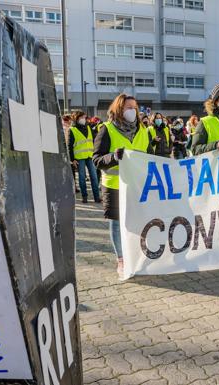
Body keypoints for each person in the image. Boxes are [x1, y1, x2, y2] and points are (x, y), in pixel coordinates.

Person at [93, 94, 154, 277]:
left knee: (138, 221)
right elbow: (96, 160)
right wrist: (113, 157)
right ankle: (121, 259)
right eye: (128, 107)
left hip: (138, 186)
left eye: (135, 108)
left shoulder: (142, 130)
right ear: (119, 109)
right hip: (114, 185)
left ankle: (136, 255)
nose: (132, 111)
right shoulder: (107, 129)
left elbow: (150, 156)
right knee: (117, 223)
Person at [69, 111, 101, 204]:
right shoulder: (72, 130)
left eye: (85, 117)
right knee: (82, 178)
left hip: (90, 156)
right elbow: (70, 146)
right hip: (79, 158)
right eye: (82, 117)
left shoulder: (88, 127)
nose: (84, 119)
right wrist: (72, 159)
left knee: (94, 177)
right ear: (77, 118)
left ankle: (96, 197)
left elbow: (94, 140)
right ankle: (84, 197)